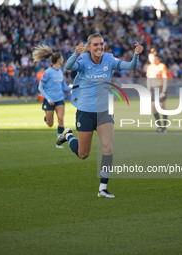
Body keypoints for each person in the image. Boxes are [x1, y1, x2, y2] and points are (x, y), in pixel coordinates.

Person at [56, 33, 143, 198]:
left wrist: (136, 55)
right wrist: (75, 53)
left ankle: (102, 188)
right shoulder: (82, 60)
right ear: (89, 47)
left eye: (101, 44)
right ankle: (68, 136)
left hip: (104, 111)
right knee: (83, 154)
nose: (99, 47)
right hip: (85, 111)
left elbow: (131, 66)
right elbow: (68, 66)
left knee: (108, 148)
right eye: (95, 44)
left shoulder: (109, 59)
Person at [32, 45, 72, 148]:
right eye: (62, 58)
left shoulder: (60, 71)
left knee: (61, 119)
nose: (63, 60)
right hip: (49, 100)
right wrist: (48, 98)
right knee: (50, 124)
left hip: (60, 99)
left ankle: (59, 141)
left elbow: (64, 87)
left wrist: (73, 88)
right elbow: (40, 87)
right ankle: (46, 116)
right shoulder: (48, 72)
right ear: (59, 60)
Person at [146, 48, 168, 133]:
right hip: (153, 88)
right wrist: (149, 90)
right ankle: (159, 126)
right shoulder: (150, 67)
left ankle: (164, 127)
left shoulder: (162, 66)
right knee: (154, 108)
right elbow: (148, 79)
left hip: (160, 87)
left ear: (155, 58)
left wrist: (163, 91)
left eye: (151, 58)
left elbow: (165, 79)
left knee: (162, 108)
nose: (150, 59)